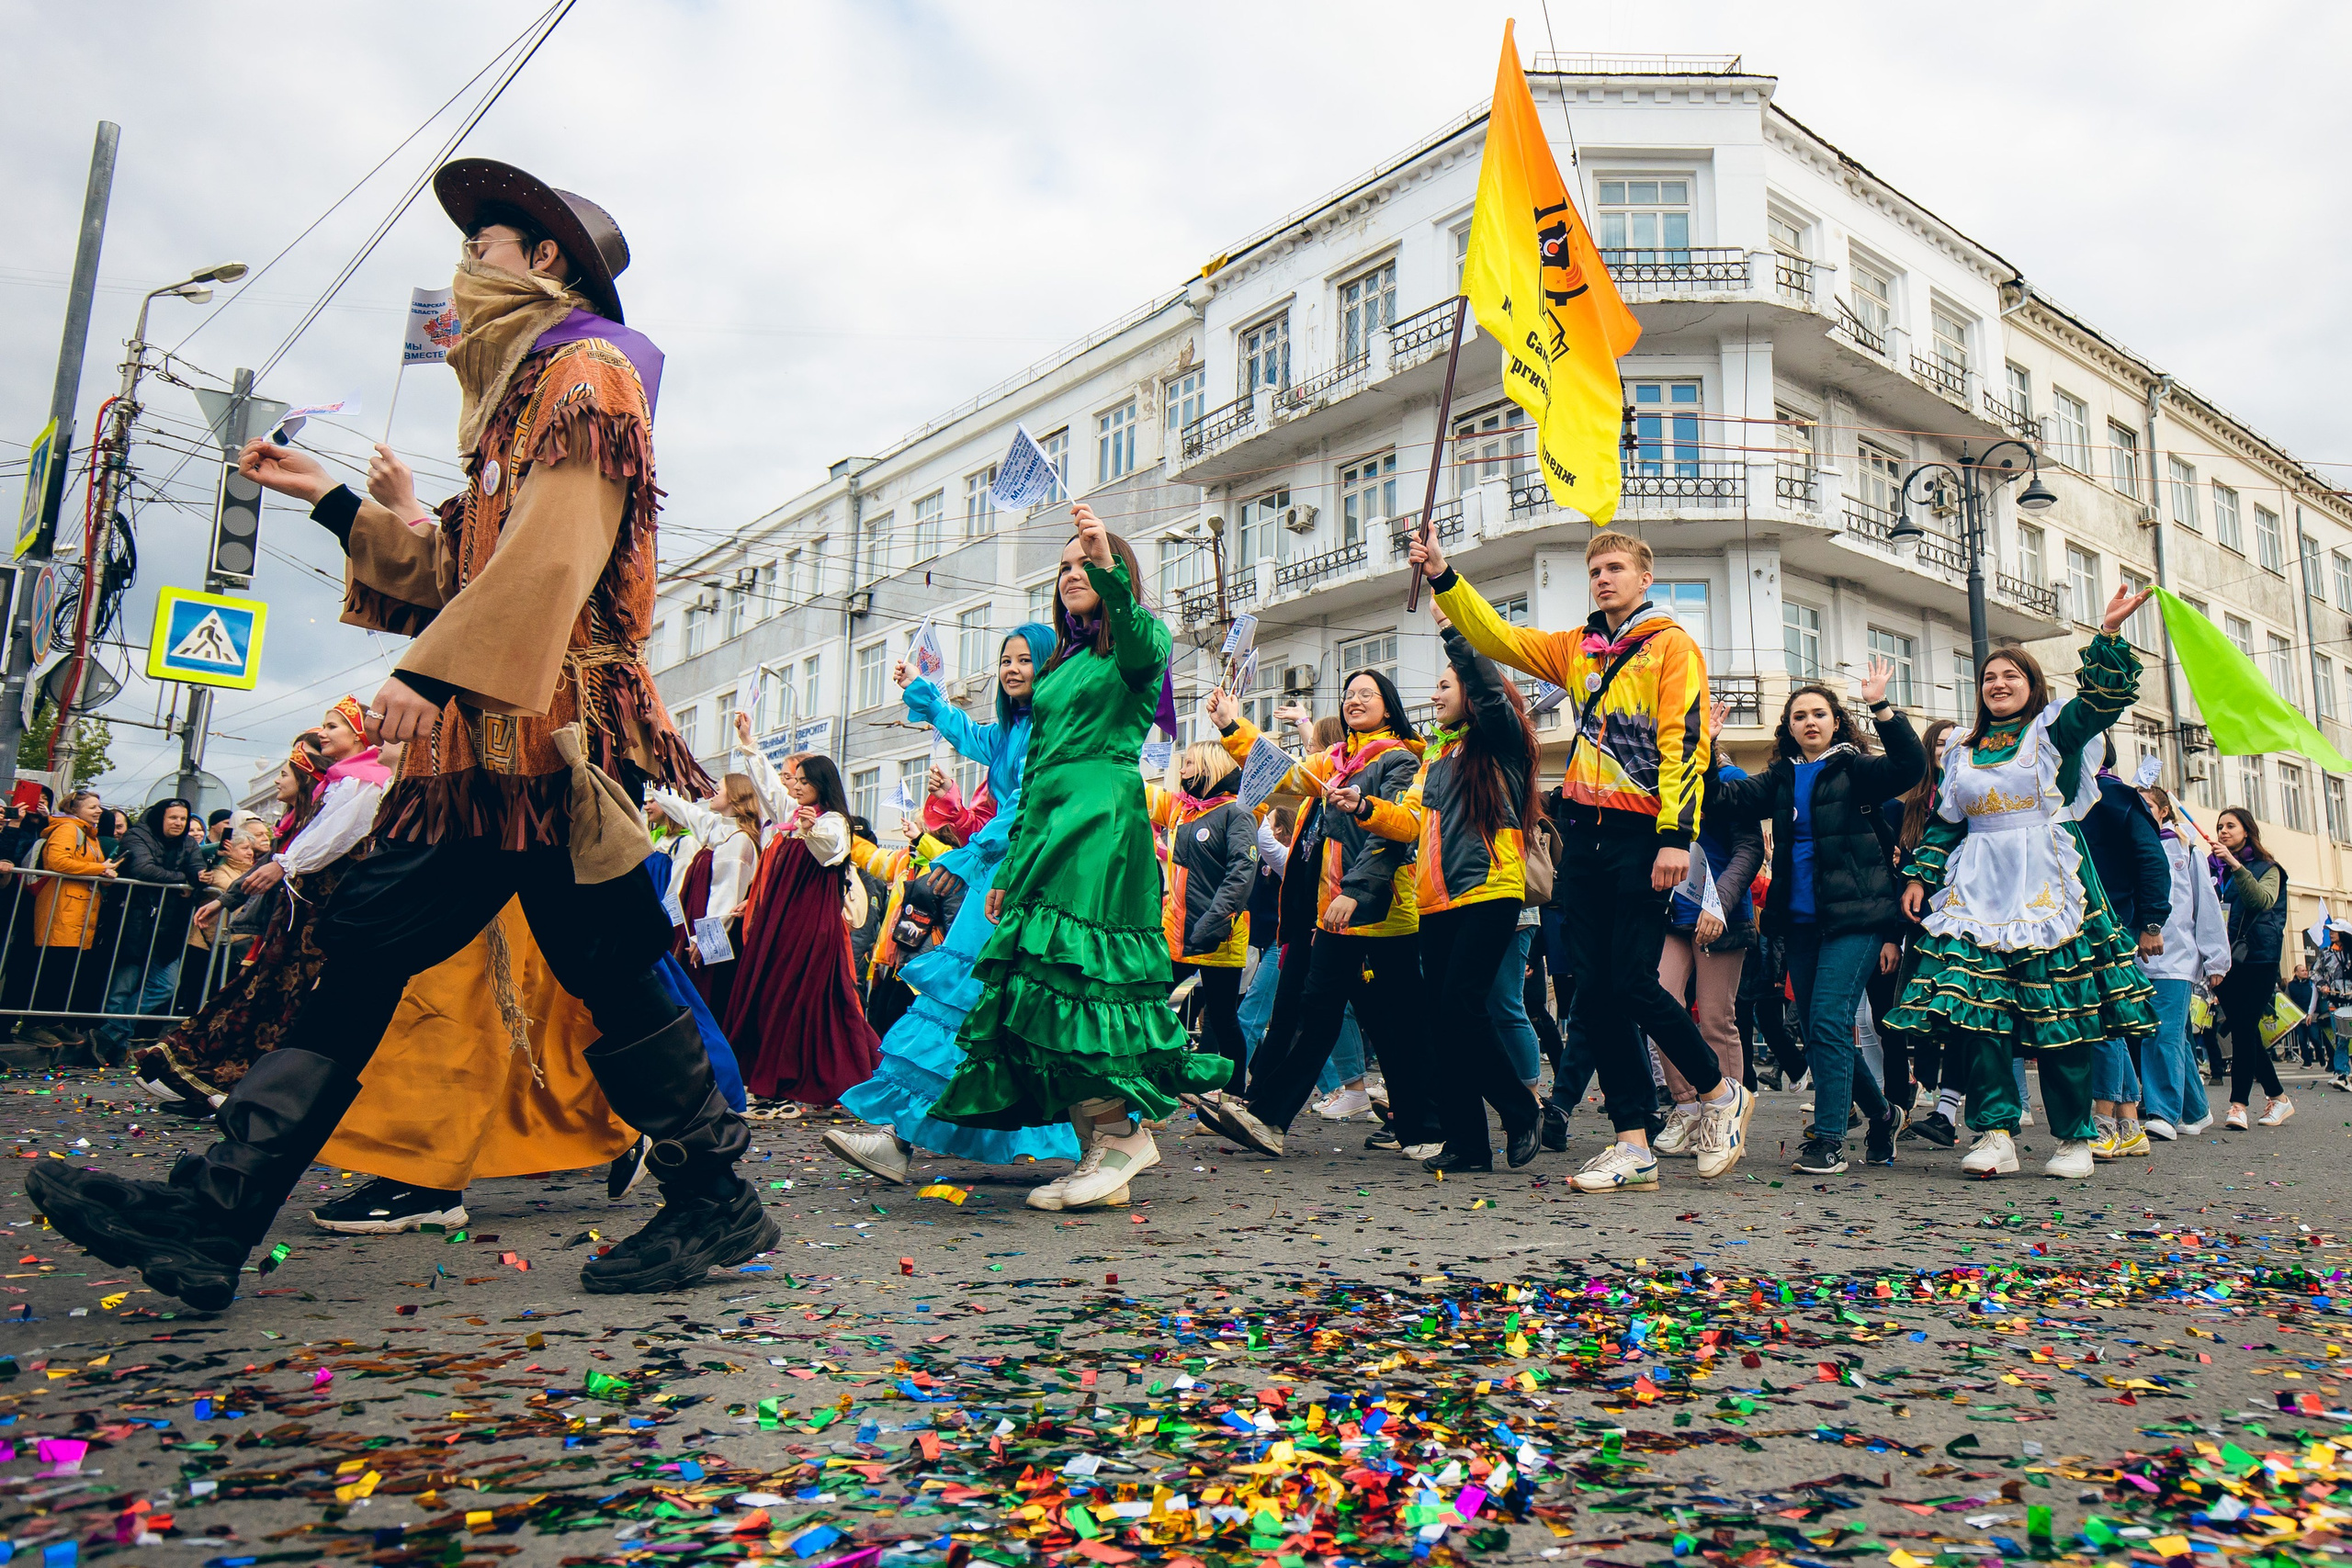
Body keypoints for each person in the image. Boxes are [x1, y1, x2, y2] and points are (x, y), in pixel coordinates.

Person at [29, 157, 760, 1310]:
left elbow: (548, 559)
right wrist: (327, 496)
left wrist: (438, 672)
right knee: (402, 950)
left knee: (592, 965)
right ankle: (216, 1214)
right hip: (495, 756)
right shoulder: (521, 395)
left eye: (483, 247)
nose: (463, 268)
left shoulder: (588, 375)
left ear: (546, 261)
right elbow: (457, 564)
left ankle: (714, 1196)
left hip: (544, 745)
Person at [1408, 526, 1751, 1193]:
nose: (1603, 578)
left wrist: (1674, 835)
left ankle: (1718, 1089)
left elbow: (1684, 742)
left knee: (1631, 982)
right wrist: (1445, 575)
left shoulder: (1672, 645)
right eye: (1595, 570)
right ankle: (1632, 1144)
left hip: (1641, 831)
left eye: (1615, 567)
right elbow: (1498, 637)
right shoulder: (1577, 648)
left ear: (1645, 578)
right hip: (1584, 832)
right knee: (1594, 992)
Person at [929, 506, 1228, 1211]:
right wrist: (1011, 869)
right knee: (1038, 985)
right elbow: (1034, 772)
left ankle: (1123, 1135)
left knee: (1078, 976)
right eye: (1064, 566)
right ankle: (1100, 1150)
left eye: (1084, 563)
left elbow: (1146, 644)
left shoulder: (1134, 646)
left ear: (1115, 573)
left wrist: (1107, 565)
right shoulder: (1057, 668)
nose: (1071, 573)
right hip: (1047, 828)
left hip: (1100, 823)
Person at [1884, 587, 2158, 1180]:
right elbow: (1946, 823)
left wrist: (2108, 634)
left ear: (2032, 685)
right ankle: (1997, 1133)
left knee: (2058, 1012)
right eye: (1989, 677)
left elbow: (2101, 701)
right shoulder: (1961, 752)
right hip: (1978, 887)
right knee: (1981, 1016)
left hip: (2047, 880)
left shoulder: (2053, 732)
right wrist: (1920, 876)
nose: (1998, 683)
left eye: (2011, 675)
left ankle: (2074, 1139)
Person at [824, 623, 1084, 1187]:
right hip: (998, 877)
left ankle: (1100, 1139)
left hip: (1028, 879)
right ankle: (900, 1136)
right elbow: (965, 732)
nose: (1013, 669)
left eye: (1026, 660)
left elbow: (1030, 804)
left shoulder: (1052, 729)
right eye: (1006, 660)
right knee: (964, 1007)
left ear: (1049, 667)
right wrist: (920, 690)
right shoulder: (1012, 730)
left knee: (1018, 1010)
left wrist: (971, 854)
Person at [1193, 667, 1432, 1162]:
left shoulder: (1401, 759)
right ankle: (1269, 1118)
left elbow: (1398, 834)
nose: (1354, 701)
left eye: (1367, 694)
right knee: (1317, 1015)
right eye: (1348, 694)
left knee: (1399, 1025)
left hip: (1383, 913)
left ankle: (1425, 1126)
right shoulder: (1335, 761)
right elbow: (1280, 771)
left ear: (1388, 705)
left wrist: (1358, 885)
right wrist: (1231, 725)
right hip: (1332, 915)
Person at [1340, 603, 1544, 1171]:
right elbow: (1408, 823)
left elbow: (1490, 688)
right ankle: (1468, 1145)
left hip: (1487, 890)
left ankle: (1520, 1109)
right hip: (1434, 901)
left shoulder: (1501, 740)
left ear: (1472, 693)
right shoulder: (1434, 756)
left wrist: (1454, 630)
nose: (1434, 696)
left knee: (1461, 1007)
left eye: (1445, 685)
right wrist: (1364, 807)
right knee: (1445, 1019)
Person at [1708, 659, 1922, 1174]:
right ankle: (1883, 1115)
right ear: (1789, 727)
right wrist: (1706, 749)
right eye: (1799, 716)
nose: (1809, 722)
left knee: (1828, 1020)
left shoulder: (1856, 769)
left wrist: (1881, 707)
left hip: (1857, 918)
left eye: (1819, 714)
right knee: (1821, 1026)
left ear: (1835, 722)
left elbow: (1909, 766)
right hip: (1800, 923)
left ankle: (1828, 1139)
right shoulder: (1780, 778)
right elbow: (1724, 800)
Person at [133, 713, 386, 1106]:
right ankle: (223, 1083)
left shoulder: (363, 781)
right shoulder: (337, 786)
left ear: (358, 735)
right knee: (267, 998)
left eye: (333, 727)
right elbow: (280, 860)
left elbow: (327, 842)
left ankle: (246, 1090)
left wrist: (280, 867)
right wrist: (231, 897)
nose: (324, 733)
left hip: (320, 918)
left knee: (286, 1003)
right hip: (296, 917)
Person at [723, 715, 878, 1111]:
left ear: (821, 785)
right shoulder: (791, 815)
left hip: (810, 925)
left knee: (805, 997)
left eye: (804, 782)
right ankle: (768, 1073)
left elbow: (831, 852)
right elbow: (768, 787)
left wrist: (811, 830)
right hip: (780, 921)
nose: (795, 787)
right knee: (773, 991)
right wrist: (748, 742)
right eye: (796, 781)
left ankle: (807, 1075)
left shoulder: (833, 822)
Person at [1651, 700, 1765, 1160]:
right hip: (1671, 912)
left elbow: (1749, 848)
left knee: (1716, 1016)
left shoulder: (1731, 778)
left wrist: (1720, 905)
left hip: (1721, 913)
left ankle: (1726, 1114)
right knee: (1660, 1001)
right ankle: (1686, 1105)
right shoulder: (1661, 781)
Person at [2076, 739, 2171, 1160]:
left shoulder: (2115, 796)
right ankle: (2130, 1124)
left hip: (2114, 924)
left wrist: (2151, 923)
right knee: (2105, 1018)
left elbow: (2153, 860)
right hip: (2073, 922)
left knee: (2100, 1020)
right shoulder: (2064, 795)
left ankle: (2103, 1121)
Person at [1147, 742, 1259, 1099]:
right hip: (1176, 933)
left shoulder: (1237, 812)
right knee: (1150, 1003)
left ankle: (1233, 1096)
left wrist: (1215, 919)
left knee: (1222, 1017)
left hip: (1219, 935)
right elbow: (1138, 791)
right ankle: (1161, 1082)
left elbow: (1242, 870)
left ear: (1210, 768)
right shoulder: (1180, 808)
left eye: (1189, 764)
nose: (1181, 771)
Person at [2133, 784, 2227, 1139]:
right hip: (2139, 958)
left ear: (2164, 812)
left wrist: (2216, 959)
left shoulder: (2185, 851)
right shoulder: (2129, 848)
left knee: (2161, 1033)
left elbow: (2206, 906)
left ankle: (2163, 1112)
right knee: (2176, 1037)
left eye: (2148, 806)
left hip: (2177, 958)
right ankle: (2197, 1110)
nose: (2141, 812)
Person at [85, 799, 207, 1066]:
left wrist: (194, 878)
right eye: (173, 817)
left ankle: (107, 1034)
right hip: (133, 921)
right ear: (160, 817)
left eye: (183, 819)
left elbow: (198, 872)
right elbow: (143, 869)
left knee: (165, 986)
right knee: (121, 988)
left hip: (169, 926)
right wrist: (182, 879)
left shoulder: (188, 843)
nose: (179, 823)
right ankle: (116, 1047)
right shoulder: (137, 835)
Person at [2194, 805, 2293, 1129]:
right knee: (2243, 1028)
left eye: (2230, 826)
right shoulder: (2214, 869)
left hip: (2259, 957)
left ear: (2247, 831)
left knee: (2244, 1026)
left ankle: (2238, 1105)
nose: (2223, 831)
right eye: (2220, 827)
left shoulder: (2269, 868)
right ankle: (2278, 1098)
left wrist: (2235, 865)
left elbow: (2260, 901)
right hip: (2226, 959)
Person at [1888, 719, 1960, 1145]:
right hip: (1921, 920)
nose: (1947, 751)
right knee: (1922, 1011)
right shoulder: (1912, 805)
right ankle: (1922, 1099)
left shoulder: (1974, 791)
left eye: (1955, 743)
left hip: (1967, 916)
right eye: (1940, 744)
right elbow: (1901, 867)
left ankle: (1949, 1108)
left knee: (1964, 1010)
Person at [644, 772, 762, 1021]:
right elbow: (687, 811)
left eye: (719, 788)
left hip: (718, 935)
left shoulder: (739, 840)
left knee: (708, 994)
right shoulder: (719, 828)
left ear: (735, 796)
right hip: (699, 926)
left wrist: (704, 940)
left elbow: (726, 896)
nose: (713, 791)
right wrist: (656, 789)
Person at [23, 791, 117, 1043]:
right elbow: (58, 862)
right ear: (75, 809)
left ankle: (52, 1022)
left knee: (63, 971)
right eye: (93, 807)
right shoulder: (67, 829)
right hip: (62, 908)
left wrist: (106, 874)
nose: (99, 811)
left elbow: (90, 867)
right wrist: (99, 869)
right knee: (53, 968)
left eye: (99, 807)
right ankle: (33, 1024)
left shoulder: (89, 835)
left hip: (78, 911)